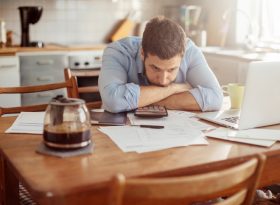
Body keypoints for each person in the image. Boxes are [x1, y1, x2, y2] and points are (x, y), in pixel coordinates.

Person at [98, 16, 223, 113]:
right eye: (155, 68)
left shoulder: (190, 51)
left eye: (172, 69)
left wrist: (142, 101)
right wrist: (173, 88)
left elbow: (216, 98)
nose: (163, 80)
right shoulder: (118, 51)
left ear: (182, 55)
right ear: (142, 53)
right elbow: (113, 101)